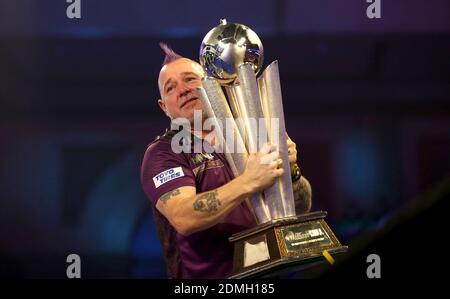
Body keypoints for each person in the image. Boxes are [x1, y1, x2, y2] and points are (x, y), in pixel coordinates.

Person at [140, 44, 312, 279]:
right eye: (171, 88)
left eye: (190, 79)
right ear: (164, 107)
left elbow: (302, 207)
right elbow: (184, 217)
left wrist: (290, 169)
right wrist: (250, 181)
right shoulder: (163, 152)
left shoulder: (250, 132)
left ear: (213, 84)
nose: (182, 90)